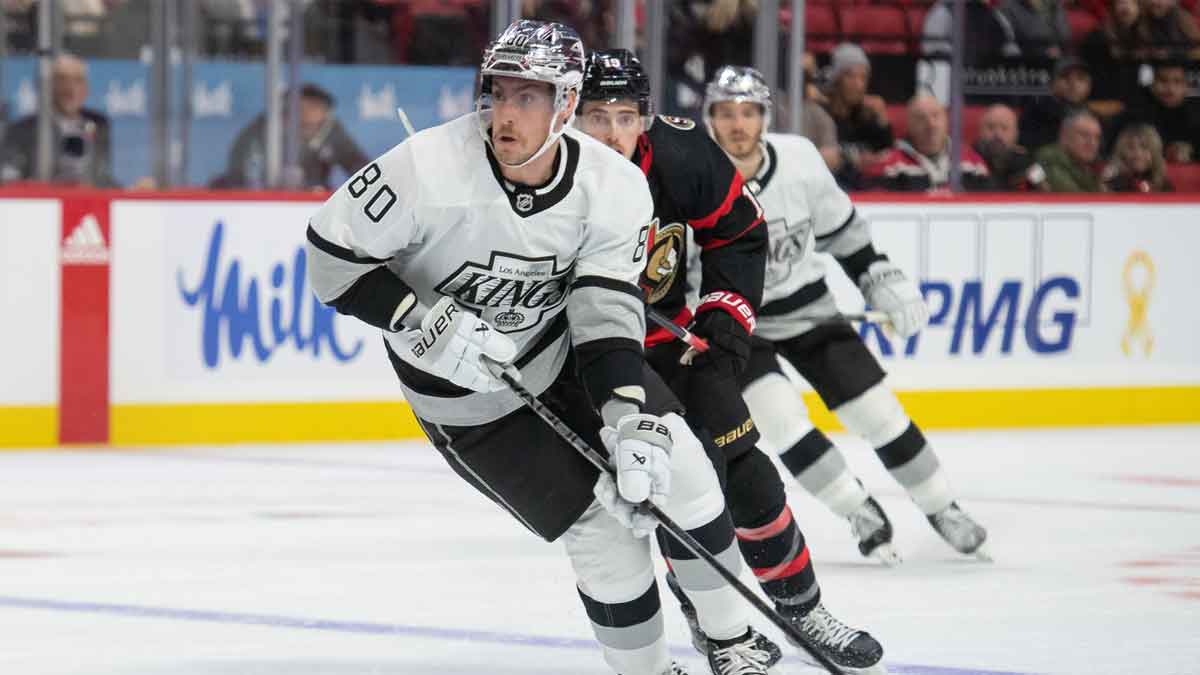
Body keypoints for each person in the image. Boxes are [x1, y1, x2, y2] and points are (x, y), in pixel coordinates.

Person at [305, 21, 768, 675]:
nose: (505, 114)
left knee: (681, 467)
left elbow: (604, 311)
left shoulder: (614, 186)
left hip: (562, 356)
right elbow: (330, 259)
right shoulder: (427, 167)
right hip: (468, 406)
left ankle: (733, 639)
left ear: (568, 106)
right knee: (604, 537)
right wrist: (419, 318)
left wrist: (626, 417)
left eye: (529, 97)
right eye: (498, 92)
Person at [577, 50, 887, 675]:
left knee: (746, 471)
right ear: (569, 116)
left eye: (626, 116)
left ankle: (802, 608)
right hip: (594, 362)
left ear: (648, 116)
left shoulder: (681, 154)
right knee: (667, 488)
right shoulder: (544, 171)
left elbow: (741, 231)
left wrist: (724, 317)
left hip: (674, 344)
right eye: (595, 116)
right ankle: (715, 624)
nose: (612, 133)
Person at [701, 65, 991, 566]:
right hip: (737, 327)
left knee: (877, 412)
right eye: (726, 113)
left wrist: (879, 278)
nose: (737, 125)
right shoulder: (692, 175)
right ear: (709, 119)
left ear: (765, 118)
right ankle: (856, 509)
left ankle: (943, 506)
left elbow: (845, 235)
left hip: (809, 308)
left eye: (748, 112)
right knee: (782, 422)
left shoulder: (799, 161)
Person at [214, 83, 368, 190]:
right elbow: (242, 168)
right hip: (267, 200)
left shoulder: (331, 129)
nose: (309, 114)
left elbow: (356, 162)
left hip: (312, 201)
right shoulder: (266, 129)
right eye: (302, 107)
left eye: (316, 108)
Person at [0, 53, 118, 187]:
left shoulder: (98, 124)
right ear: (47, 86)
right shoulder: (22, 129)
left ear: (86, 88)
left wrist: (132, 191)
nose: (70, 88)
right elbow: (9, 179)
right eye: (62, 79)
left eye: (77, 80)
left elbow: (102, 177)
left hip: (87, 203)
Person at [864, 94, 992, 192]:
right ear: (909, 125)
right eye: (921, 118)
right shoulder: (888, 165)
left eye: (936, 116)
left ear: (946, 120)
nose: (931, 124)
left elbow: (988, 207)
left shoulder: (973, 162)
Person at [820, 43, 894, 190]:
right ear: (836, 79)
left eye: (863, 77)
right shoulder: (821, 115)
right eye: (850, 76)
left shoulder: (867, 116)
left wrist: (882, 120)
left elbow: (887, 152)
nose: (858, 85)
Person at [1109, 63, 1200, 164]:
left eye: (1177, 82)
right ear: (1152, 85)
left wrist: (1190, 152)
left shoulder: (1196, 118)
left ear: (1186, 87)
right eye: (1163, 80)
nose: (1170, 88)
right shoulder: (1133, 116)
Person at [1018, 57, 1093, 155]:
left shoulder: (1093, 118)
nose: (1073, 84)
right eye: (1065, 77)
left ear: (1089, 86)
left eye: (1080, 78)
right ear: (1052, 83)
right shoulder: (1036, 112)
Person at [974, 104, 1044, 191]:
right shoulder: (968, 162)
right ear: (980, 131)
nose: (997, 134)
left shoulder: (1027, 163)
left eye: (1004, 128)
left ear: (1015, 134)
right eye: (991, 127)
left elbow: (1046, 194)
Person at [1035, 109, 1106, 192]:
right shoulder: (1049, 158)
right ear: (1064, 135)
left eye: (1097, 138)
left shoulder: (1092, 164)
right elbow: (1073, 198)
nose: (1092, 143)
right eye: (1084, 135)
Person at [1103, 123, 1174, 192]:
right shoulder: (1112, 185)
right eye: (1131, 147)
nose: (1138, 154)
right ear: (1121, 152)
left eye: (1144, 147)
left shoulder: (1163, 187)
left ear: (1154, 153)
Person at [997, 0, 1072, 59]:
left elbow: (1064, 34)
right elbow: (1010, 38)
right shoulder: (1007, 5)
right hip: (1024, 55)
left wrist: (1056, 47)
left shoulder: (1053, 3)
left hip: (1053, 51)